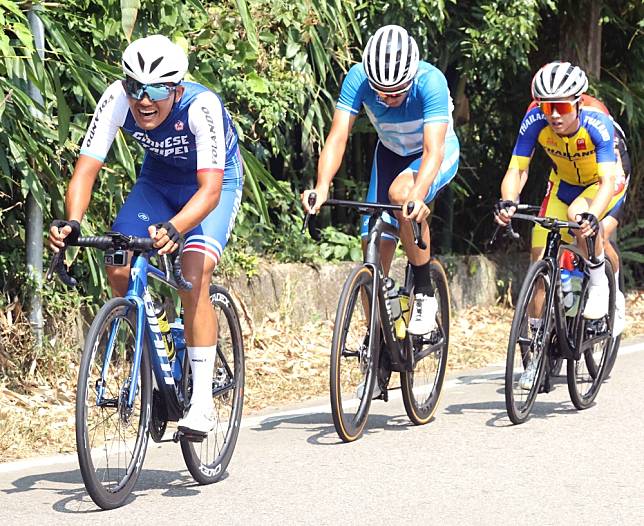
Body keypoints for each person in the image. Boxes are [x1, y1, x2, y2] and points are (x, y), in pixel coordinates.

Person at [48, 35, 244, 436]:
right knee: (118, 262)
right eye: (135, 87)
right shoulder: (117, 98)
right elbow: (86, 169)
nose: (143, 100)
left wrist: (177, 227)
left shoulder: (200, 106)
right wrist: (73, 222)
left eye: (155, 89)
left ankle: (203, 402)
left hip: (213, 186)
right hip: (157, 183)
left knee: (194, 274)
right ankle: (160, 348)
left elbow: (209, 191)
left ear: (175, 88)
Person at [302, 24, 459, 339]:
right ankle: (379, 344)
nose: (387, 98)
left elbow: (433, 151)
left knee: (402, 196)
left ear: (411, 77)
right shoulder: (358, 78)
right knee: (372, 249)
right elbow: (337, 138)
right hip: (389, 155)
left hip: (433, 156)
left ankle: (425, 293)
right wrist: (321, 186)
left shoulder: (431, 82)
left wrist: (417, 194)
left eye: (396, 91)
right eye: (380, 91)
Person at [494, 61, 627, 387]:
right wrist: (509, 200)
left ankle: (606, 287)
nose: (554, 114)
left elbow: (607, 181)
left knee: (583, 226)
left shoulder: (597, 122)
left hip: (605, 179)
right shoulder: (535, 119)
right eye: (546, 106)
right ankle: (537, 353)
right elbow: (517, 170)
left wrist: (592, 218)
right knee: (538, 261)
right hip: (564, 182)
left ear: (578, 102)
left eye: (562, 106)